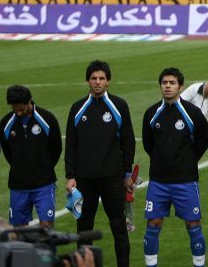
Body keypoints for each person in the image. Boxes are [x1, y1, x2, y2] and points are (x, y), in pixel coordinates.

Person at [65, 60, 136, 267]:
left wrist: (127, 173)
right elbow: (71, 144)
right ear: (88, 81)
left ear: (108, 81)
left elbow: (128, 141)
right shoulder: (77, 108)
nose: (97, 82)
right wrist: (70, 175)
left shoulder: (119, 105)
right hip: (84, 178)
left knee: (118, 226)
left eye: (101, 78)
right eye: (94, 78)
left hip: (112, 177)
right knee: (84, 227)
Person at [142, 67, 208, 267]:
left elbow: (202, 142)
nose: (168, 86)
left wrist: (187, 161)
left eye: (172, 83)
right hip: (158, 182)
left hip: (185, 181)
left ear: (180, 86)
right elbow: (148, 144)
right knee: (153, 224)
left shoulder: (192, 113)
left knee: (193, 225)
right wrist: (161, 160)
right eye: (164, 83)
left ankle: (199, 264)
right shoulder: (151, 113)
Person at [0, 85, 62, 228]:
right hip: (18, 186)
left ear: (29, 102)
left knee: (46, 228)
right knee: (19, 230)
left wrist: (43, 167)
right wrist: (19, 167)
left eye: (21, 109)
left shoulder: (47, 119)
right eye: (15, 109)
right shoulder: (5, 123)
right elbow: (8, 153)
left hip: (44, 184)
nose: (18, 112)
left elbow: (56, 149)